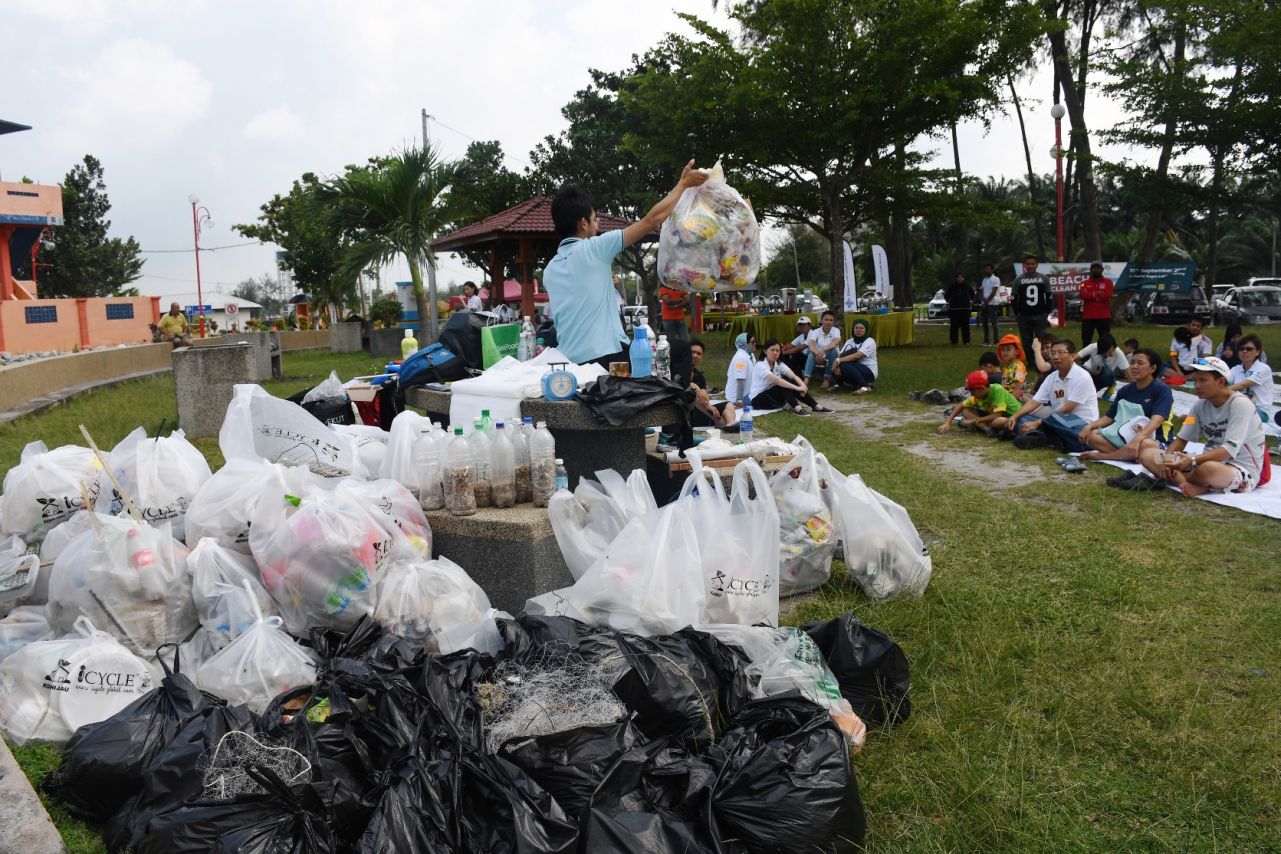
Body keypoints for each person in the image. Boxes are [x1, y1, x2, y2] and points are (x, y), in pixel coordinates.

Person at [543, 160, 709, 367]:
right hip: (607, 358)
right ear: (583, 223)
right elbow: (651, 220)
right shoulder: (596, 248)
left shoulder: (549, 270)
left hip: (568, 362)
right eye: (595, 220)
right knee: (682, 350)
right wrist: (683, 184)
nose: (597, 226)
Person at [1123, 356, 1268, 495]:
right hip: (1199, 462)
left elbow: (1228, 451)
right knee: (1147, 454)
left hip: (1236, 468)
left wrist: (1191, 461)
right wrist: (1168, 460)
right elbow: (1181, 439)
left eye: (1203, 380)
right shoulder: (1199, 405)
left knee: (1209, 469)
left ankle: (1180, 479)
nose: (1197, 386)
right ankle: (1188, 483)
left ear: (1221, 381)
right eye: (1195, 380)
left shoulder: (1240, 404)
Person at [1079, 348, 1173, 463]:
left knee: (1145, 445)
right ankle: (1131, 455)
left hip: (1152, 439)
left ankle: (1107, 456)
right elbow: (1109, 417)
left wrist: (1137, 440)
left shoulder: (1162, 390)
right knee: (1092, 435)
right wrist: (1089, 426)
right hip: (1125, 437)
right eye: (1132, 362)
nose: (1134, 366)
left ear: (1153, 368)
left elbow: (1156, 421)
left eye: (1140, 363)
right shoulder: (1125, 390)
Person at [1006, 338, 1100, 451]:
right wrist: (1014, 416)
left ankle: (1042, 437)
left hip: (1080, 423)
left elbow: (1067, 409)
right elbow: (1034, 402)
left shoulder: (1082, 377)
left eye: (1061, 353)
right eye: (1053, 353)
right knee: (1023, 418)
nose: (1055, 357)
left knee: (1055, 420)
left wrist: (1038, 423)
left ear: (1073, 356)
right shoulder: (1052, 377)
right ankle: (1043, 438)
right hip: (1055, 420)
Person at [749, 339, 831, 415]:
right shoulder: (760, 365)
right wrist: (797, 388)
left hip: (772, 397)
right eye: (772, 350)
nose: (775, 353)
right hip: (758, 400)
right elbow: (777, 381)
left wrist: (802, 385)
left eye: (777, 350)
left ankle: (816, 406)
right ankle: (797, 408)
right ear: (765, 351)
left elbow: (794, 376)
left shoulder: (778, 364)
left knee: (790, 380)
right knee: (781, 383)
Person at [938, 370, 1021, 436]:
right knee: (966, 411)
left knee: (999, 421)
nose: (971, 394)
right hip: (994, 417)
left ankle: (998, 429)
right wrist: (947, 422)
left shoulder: (997, 390)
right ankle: (988, 430)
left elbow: (997, 415)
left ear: (981, 388)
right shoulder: (979, 395)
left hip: (1012, 417)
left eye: (972, 391)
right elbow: (961, 405)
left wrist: (974, 420)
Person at [687, 337, 736, 428]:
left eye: (699, 354)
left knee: (729, 405)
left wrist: (705, 396)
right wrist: (709, 406)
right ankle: (721, 423)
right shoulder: (679, 370)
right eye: (693, 352)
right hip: (685, 415)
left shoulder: (699, 376)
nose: (695, 355)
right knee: (694, 390)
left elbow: (704, 395)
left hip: (700, 413)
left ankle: (730, 425)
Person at [1012, 254, 1052, 360]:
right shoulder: (1019, 280)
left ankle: (1043, 360)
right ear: (1025, 265)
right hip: (1024, 316)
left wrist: (1046, 312)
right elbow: (1014, 298)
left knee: (1041, 339)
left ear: (1037, 265)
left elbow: (1049, 296)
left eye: (1032, 264)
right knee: (1026, 340)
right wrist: (1018, 313)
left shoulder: (1044, 278)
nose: (1030, 266)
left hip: (1040, 315)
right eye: (1028, 264)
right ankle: (1031, 362)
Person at [1228, 334, 1274, 420]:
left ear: (1257, 352)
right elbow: (1223, 382)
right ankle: (1193, 421)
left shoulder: (1264, 368)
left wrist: (1218, 392)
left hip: (1260, 412)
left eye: (1249, 349)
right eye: (1241, 349)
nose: (1244, 351)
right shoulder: (1235, 369)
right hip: (1240, 406)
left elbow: (1242, 385)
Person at [831, 319, 878, 393]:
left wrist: (839, 361)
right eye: (856, 328)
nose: (858, 330)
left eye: (861, 328)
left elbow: (857, 356)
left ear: (866, 330)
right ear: (853, 329)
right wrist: (837, 363)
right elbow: (841, 355)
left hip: (869, 372)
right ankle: (839, 385)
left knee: (844, 364)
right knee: (833, 364)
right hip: (853, 369)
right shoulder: (850, 341)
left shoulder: (870, 341)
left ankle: (865, 386)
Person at [1078, 261, 1114, 345]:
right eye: (1094, 268)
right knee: (1086, 339)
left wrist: (1090, 294)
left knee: (1105, 339)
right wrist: (1097, 294)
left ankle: (1105, 357)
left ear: (1102, 270)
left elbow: (1107, 295)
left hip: (1103, 316)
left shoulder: (1108, 282)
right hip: (1088, 316)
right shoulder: (1084, 282)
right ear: (1090, 270)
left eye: (1098, 268)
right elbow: (1083, 295)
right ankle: (1085, 358)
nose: (1096, 270)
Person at [805, 310, 842, 388]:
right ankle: (806, 379)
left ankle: (826, 379)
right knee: (811, 353)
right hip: (818, 358)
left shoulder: (836, 331)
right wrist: (817, 353)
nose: (828, 322)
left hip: (831, 358)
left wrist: (823, 349)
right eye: (826, 319)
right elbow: (811, 345)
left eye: (831, 320)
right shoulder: (815, 331)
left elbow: (835, 342)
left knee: (832, 351)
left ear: (834, 322)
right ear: (821, 320)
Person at [725, 332, 756, 405]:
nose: (755, 344)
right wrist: (739, 401)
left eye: (755, 341)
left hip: (748, 393)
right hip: (739, 397)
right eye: (752, 342)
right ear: (744, 343)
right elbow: (740, 380)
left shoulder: (750, 355)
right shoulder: (740, 358)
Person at [945, 272, 974, 346]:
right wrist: (950, 302)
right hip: (954, 309)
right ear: (956, 278)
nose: (960, 278)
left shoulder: (967, 286)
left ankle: (966, 341)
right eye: (958, 277)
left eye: (962, 277)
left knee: (965, 326)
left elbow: (972, 295)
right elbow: (946, 295)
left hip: (965, 309)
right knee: (954, 326)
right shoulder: (952, 286)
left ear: (964, 278)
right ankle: (954, 341)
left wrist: (969, 301)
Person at [997, 333, 1028, 400]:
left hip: (1016, 401)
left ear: (1017, 351)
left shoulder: (1018, 366)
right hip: (1007, 397)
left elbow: (1018, 391)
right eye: (1003, 349)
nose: (1005, 352)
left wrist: (1004, 402)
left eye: (1008, 349)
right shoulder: (1007, 366)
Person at [979, 263, 1001, 345]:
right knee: (985, 323)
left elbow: (993, 292)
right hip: (984, 303)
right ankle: (986, 341)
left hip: (992, 304)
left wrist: (986, 301)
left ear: (992, 270)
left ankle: (996, 341)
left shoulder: (996, 279)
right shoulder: (984, 280)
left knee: (994, 322)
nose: (986, 270)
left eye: (988, 269)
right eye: (985, 269)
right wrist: (983, 300)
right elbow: (981, 290)